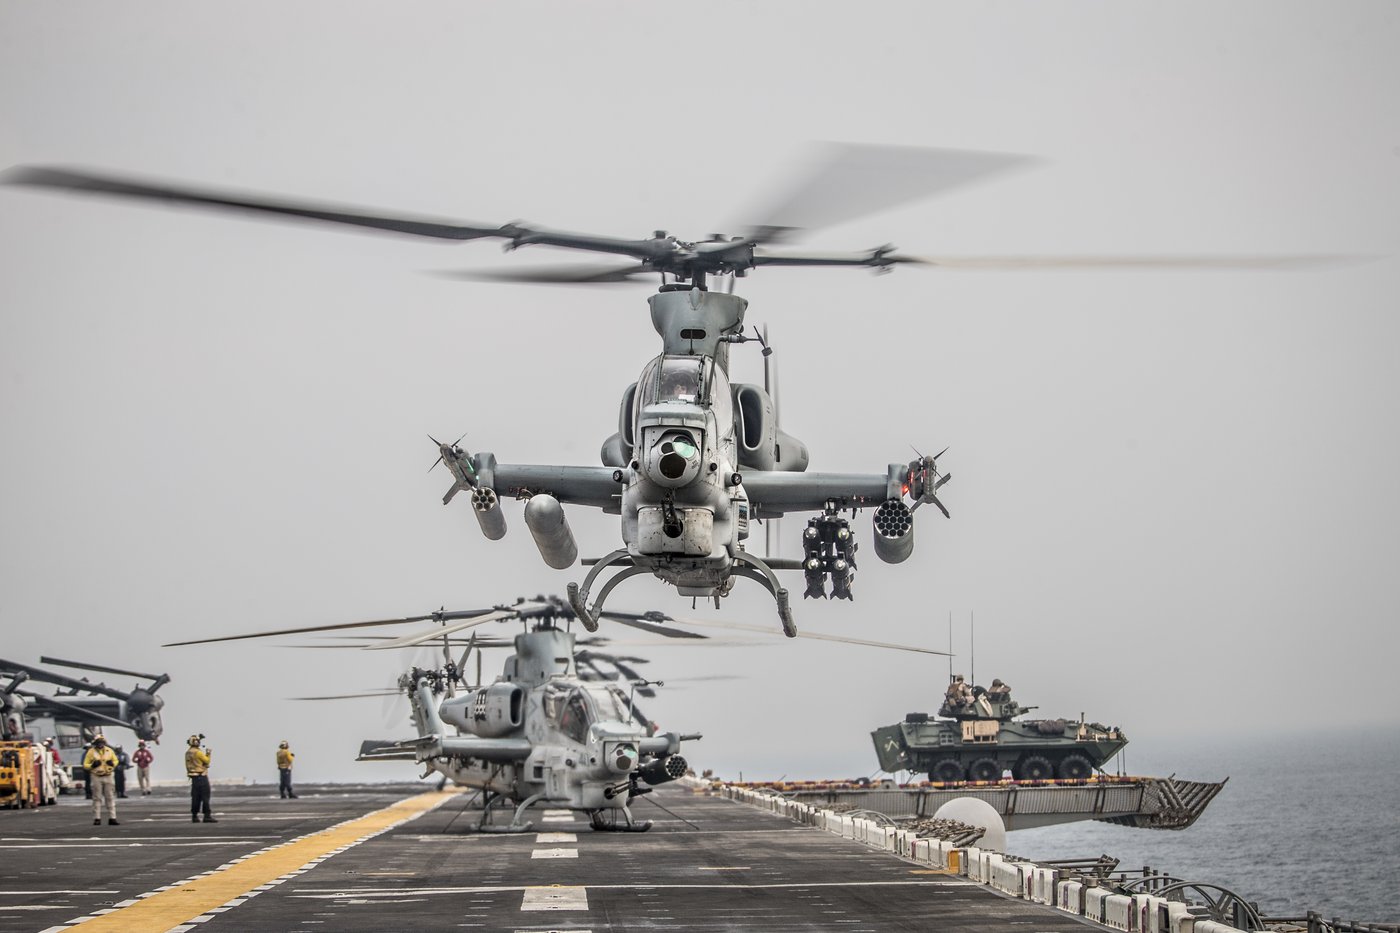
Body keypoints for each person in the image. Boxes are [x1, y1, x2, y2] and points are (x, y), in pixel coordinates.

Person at [83, 734, 120, 826]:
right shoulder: (91, 752)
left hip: (108, 775)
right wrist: (92, 765)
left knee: (110, 797)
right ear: (95, 743)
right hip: (96, 776)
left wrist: (112, 763)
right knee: (97, 798)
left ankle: (112, 817)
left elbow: (116, 760)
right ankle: (97, 818)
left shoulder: (109, 751)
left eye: (101, 742)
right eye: (98, 742)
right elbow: (85, 764)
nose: (100, 744)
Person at [184, 733, 216, 823]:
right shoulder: (198, 752)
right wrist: (208, 753)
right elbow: (207, 760)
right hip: (201, 776)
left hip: (193, 778)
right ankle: (207, 815)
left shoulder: (187, 753)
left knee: (195, 797)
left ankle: (194, 816)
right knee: (205, 796)